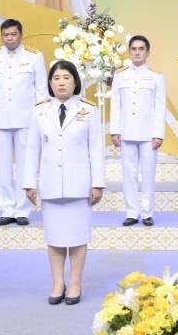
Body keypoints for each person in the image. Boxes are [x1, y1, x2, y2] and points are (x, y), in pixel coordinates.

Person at [24, 60, 105, 305]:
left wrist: (98, 183)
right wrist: (29, 182)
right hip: (50, 184)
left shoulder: (89, 110)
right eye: (56, 78)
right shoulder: (39, 111)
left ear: (75, 82)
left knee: (78, 237)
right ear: (50, 83)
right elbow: (32, 149)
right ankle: (58, 283)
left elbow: (96, 149)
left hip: (79, 185)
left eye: (66, 78)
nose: (61, 83)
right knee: (55, 238)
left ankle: (76, 282)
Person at [0, 18, 45, 227]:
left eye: (13, 34)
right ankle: (7, 208)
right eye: (5, 35)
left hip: (27, 120)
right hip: (1, 118)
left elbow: (41, 90)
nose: (9, 38)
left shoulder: (34, 56)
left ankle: (23, 209)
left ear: (21, 35)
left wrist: (41, 119)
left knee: (26, 166)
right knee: (3, 167)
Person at [111, 34, 167, 226]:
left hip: (148, 134)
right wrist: (115, 131)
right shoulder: (120, 76)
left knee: (148, 173)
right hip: (126, 132)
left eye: (141, 49)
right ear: (129, 52)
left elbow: (160, 107)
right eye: (134, 49)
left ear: (147, 52)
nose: (137, 52)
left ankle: (147, 212)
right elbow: (115, 105)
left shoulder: (156, 77)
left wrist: (158, 134)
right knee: (128, 173)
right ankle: (132, 212)